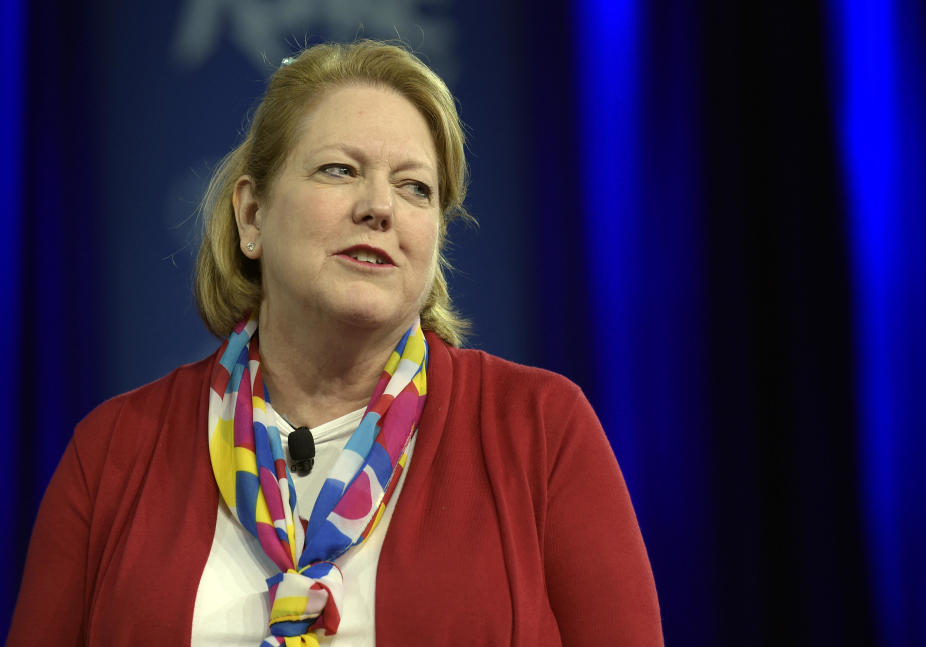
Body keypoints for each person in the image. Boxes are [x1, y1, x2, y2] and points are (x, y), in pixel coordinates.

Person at [7, 40, 663, 646]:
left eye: (415, 187)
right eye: (339, 169)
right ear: (252, 216)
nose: (381, 206)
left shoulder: (541, 429)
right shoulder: (112, 452)